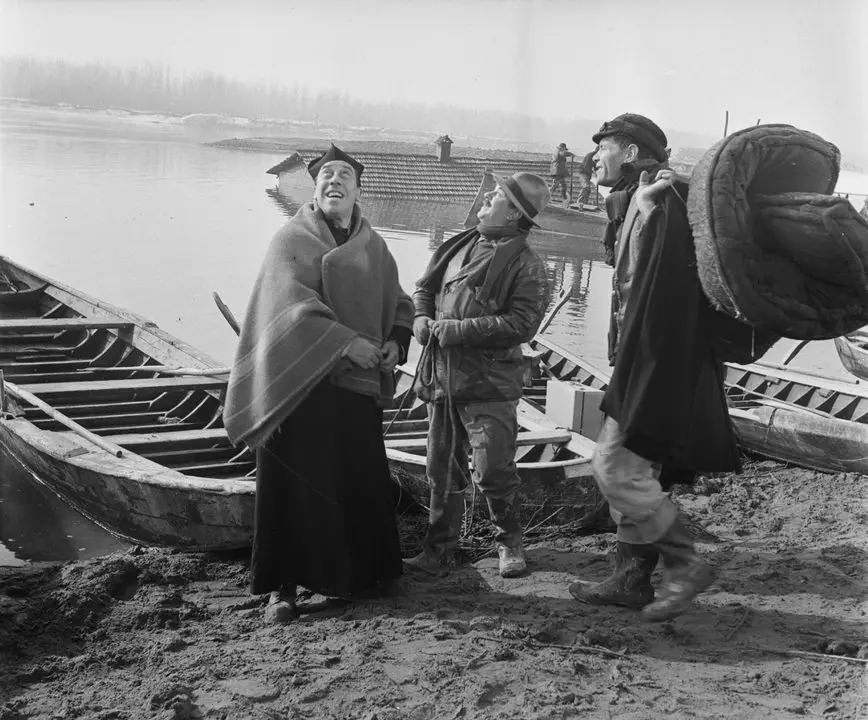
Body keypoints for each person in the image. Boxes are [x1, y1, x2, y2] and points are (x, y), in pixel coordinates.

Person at [223, 144, 414, 623]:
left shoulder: (373, 245)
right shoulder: (290, 238)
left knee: (359, 476)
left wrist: (396, 340)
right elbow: (288, 307)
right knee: (291, 484)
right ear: (314, 188)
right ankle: (282, 589)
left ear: (358, 189)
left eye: (344, 175)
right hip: (298, 385)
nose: (334, 181)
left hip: (355, 387)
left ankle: (367, 575)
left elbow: (399, 300)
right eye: (326, 175)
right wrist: (346, 343)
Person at [567, 114, 741, 621]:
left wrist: (641, 374)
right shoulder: (642, 198)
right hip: (649, 360)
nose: (594, 157)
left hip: (657, 363)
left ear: (628, 151)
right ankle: (632, 577)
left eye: (603, 147)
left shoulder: (660, 199)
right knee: (636, 470)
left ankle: (679, 565)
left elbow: (663, 294)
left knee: (615, 467)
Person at [405, 172, 552, 579]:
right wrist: (420, 317)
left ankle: (509, 543)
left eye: (498, 195)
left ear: (515, 214)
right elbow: (424, 289)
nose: (487, 195)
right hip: (442, 379)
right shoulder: (457, 245)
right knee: (440, 468)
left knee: (493, 471)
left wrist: (457, 330)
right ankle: (438, 550)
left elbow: (523, 325)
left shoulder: (528, 265)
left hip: (489, 385)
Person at [549, 142, 574, 207]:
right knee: (562, 186)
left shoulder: (555, 152)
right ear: (562, 148)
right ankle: (565, 200)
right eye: (564, 149)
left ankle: (548, 196)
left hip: (555, 170)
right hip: (558, 171)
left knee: (555, 185)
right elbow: (564, 153)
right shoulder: (560, 151)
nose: (565, 150)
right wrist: (571, 154)